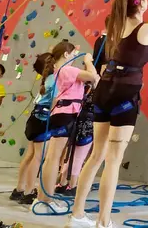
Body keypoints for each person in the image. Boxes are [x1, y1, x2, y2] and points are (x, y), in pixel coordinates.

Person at [66, 0, 148, 228]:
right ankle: (103, 221)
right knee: (113, 160)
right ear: (140, 4)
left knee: (96, 155)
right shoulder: (147, 29)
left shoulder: (114, 28)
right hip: (124, 95)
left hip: (104, 92)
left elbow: (141, 42)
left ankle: (77, 215)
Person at [32, 41, 98, 214]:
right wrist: (89, 61)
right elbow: (94, 77)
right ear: (67, 55)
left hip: (63, 113)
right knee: (53, 157)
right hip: (66, 114)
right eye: (73, 54)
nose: (75, 56)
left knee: (53, 157)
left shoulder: (59, 71)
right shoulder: (68, 70)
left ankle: (43, 197)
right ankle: (45, 199)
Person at [11, 54, 57, 205]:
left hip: (35, 119)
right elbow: (56, 101)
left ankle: (19, 189)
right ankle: (29, 191)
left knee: (30, 155)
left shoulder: (46, 80)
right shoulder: (54, 80)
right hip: (43, 120)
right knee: (38, 157)